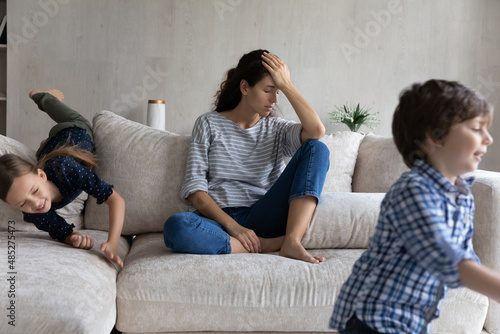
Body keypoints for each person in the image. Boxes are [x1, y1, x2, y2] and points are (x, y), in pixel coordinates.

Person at [329, 79, 500, 333]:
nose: (488, 139)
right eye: (476, 129)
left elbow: (465, 258)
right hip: (373, 318)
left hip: (413, 319)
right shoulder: (414, 190)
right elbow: (452, 263)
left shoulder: (462, 194)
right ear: (436, 136)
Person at [163, 49, 330, 264]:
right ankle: (269, 244)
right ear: (244, 87)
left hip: (264, 214)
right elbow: (195, 191)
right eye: (269, 90)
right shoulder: (208, 124)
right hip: (220, 221)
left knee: (318, 148)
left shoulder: (277, 129)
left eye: (278, 91)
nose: (274, 99)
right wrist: (235, 228)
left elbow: (316, 131)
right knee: (176, 227)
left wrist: (287, 85)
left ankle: (291, 241)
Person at [0, 90, 124, 268]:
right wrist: (73, 238)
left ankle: (41, 96)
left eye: (34, 191)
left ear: (41, 175)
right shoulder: (34, 214)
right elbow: (62, 231)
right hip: (49, 150)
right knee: (44, 150)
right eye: (22, 204)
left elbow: (116, 200)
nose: (35, 203)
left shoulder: (67, 170)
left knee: (58, 109)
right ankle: (47, 143)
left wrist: (113, 242)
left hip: (74, 129)